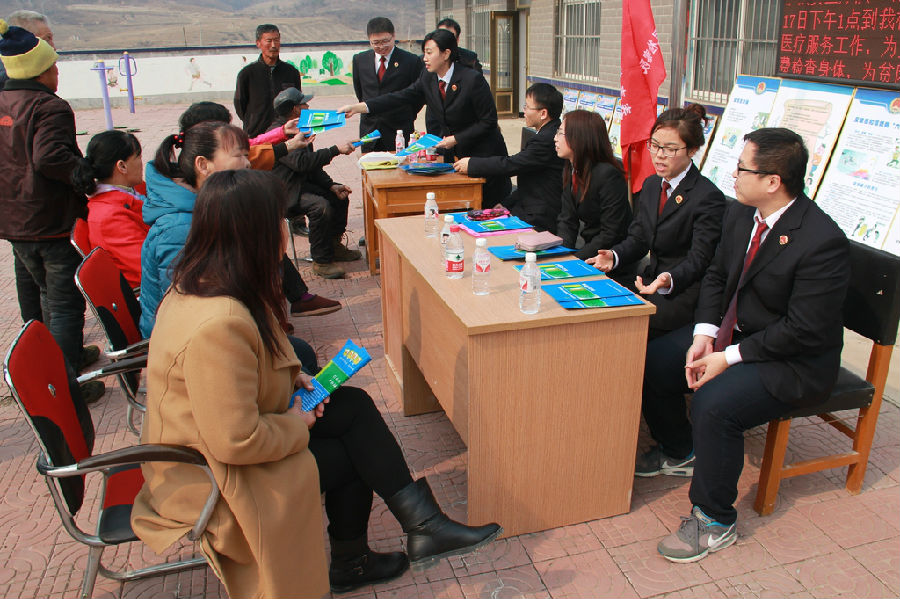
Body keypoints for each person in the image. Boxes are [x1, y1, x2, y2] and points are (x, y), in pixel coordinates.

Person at [131, 169, 502, 597]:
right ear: (255, 234)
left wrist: (294, 378)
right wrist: (295, 423)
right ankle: (358, 559)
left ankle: (424, 527)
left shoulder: (206, 285)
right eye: (280, 221)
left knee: (353, 407)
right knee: (354, 455)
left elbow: (242, 372)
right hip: (213, 476)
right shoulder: (217, 323)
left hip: (220, 447)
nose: (286, 231)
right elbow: (235, 441)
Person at [641, 128, 850, 562]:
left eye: (741, 169)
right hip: (738, 334)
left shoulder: (821, 241)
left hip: (795, 360)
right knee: (654, 361)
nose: (732, 175)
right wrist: (704, 334)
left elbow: (803, 329)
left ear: (773, 181)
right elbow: (717, 275)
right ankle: (680, 450)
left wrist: (727, 356)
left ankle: (714, 520)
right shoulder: (741, 214)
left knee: (715, 404)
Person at [0, 20, 104, 402]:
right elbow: (50, 157)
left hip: (14, 220)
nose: (57, 72)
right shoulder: (49, 106)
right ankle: (64, 389)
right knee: (63, 305)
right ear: (40, 71)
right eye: (53, 66)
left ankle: (64, 359)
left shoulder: (3, 101)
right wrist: (83, 174)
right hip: (49, 220)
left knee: (44, 295)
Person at [174, 100, 341, 316]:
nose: (247, 163)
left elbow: (253, 148)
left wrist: (284, 136)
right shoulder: (183, 224)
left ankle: (295, 300)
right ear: (203, 163)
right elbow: (186, 301)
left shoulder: (213, 199)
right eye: (239, 155)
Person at [587, 104, 726, 339]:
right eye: (654, 145)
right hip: (647, 282)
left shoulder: (707, 197)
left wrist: (668, 279)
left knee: (620, 331)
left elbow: (699, 259)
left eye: (670, 149)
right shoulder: (652, 184)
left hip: (679, 291)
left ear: (692, 150)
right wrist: (614, 255)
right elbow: (639, 237)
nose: (659, 155)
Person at [340, 28, 511, 203]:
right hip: (455, 157)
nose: (425, 58)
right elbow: (400, 97)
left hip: (483, 155)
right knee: (458, 205)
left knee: (489, 206)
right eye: (424, 53)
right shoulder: (428, 77)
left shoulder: (472, 79)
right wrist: (359, 107)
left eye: (429, 53)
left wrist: (456, 139)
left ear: (446, 54)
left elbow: (489, 121)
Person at [269, 87, 360, 279]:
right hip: (285, 192)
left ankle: (334, 246)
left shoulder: (300, 127)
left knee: (339, 196)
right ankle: (321, 261)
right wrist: (335, 150)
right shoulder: (278, 133)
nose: (308, 107)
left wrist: (330, 185)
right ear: (295, 109)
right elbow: (302, 163)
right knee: (320, 207)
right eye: (304, 104)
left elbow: (312, 167)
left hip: (300, 185)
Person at [2, 11, 55, 327]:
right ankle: (43, 335)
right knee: (44, 278)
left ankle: (34, 329)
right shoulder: (15, 85)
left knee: (26, 266)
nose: (52, 46)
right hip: (27, 195)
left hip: (16, 196)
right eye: (46, 39)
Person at [454, 83, 566, 233]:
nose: (524, 111)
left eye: (527, 107)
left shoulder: (546, 139)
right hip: (527, 206)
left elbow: (511, 164)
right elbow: (529, 181)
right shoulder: (545, 133)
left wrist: (472, 164)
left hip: (539, 216)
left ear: (543, 113)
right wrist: (506, 204)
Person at [71, 130, 148, 287]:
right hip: (147, 289)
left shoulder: (120, 197)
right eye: (138, 157)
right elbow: (148, 265)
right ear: (122, 166)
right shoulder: (110, 217)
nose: (142, 163)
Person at [554, 110, 631, 259]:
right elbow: (567, 220)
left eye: (560, 133)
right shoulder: (571, 166)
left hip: (610, 256)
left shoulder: (608, 175)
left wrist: (577, 260)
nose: (555, 138)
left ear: (579, 138)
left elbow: (611, 233)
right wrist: (563, 255)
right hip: (589, 249)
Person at [351, 17, 424, 153]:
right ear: (369, 40)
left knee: (401, 165)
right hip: (370, 129)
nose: (381, 46)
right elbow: (360, 92)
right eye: (376, 43)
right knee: (369, 164)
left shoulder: (410, 60)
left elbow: (418, 96)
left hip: (399, 129)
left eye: (385, 41)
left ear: (393, 36)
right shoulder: (360, 60)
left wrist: (407, 114)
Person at [233, 24, 301, 137]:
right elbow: (240, 105)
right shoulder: (247, 74)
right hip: (257, 134)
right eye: (269, 41)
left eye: (276, 40)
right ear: (258, 43)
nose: (273, 45)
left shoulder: (291, 72)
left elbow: (298, 102)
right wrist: (253, 121)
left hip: (286, 133)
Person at [426, 17, 482, 136]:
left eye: (449, 37)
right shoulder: (427, 61)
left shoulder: (469, 60)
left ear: (457, 40)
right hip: (436, 123)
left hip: (462, 125)